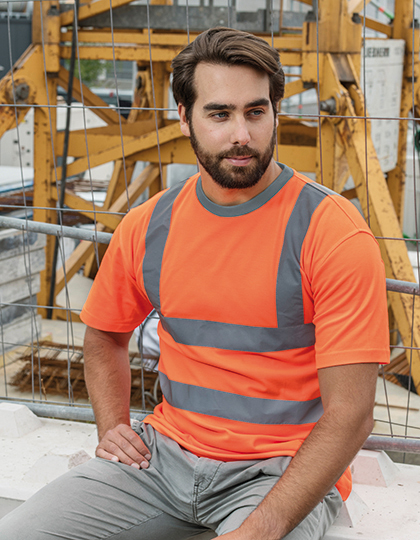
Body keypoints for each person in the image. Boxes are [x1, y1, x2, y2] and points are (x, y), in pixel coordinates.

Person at [0, 27, 389, 540]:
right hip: (163, 460)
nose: (241, 135)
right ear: (184, 117)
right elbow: (104, 335)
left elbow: (352, 412)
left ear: (276, 111)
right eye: (219, 114)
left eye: (256, 111)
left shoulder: (332, 232)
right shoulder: (149, 224)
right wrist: (113, 429)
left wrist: (263, 527)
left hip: (277, 472)